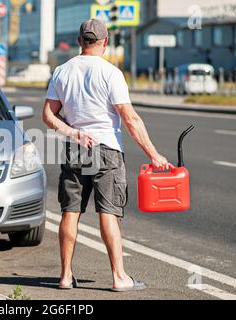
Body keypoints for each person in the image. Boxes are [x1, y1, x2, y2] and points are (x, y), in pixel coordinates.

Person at [43, 19, 169, 291]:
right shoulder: (111, 73)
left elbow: (48, 115)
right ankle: (119, 277)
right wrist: (153, 154)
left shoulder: (62, 72)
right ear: (105, 42)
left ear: (79, 41)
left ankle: (65, 276)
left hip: (76, 148)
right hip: (107, 148)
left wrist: (74, 133)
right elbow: (130, 119)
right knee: (108, 213)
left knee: (70, 212)